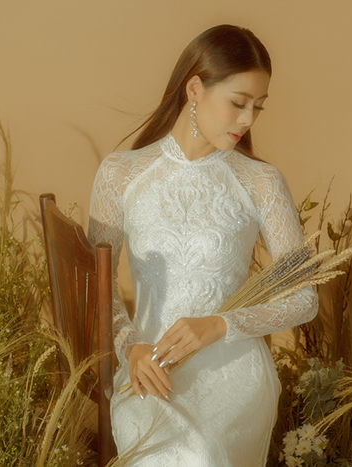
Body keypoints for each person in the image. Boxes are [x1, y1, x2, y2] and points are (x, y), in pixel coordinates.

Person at [87, 24, 318, 466]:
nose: (248, 120)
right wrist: (131, 347)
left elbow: (304, 298)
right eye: (238, 103)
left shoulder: (261, 181)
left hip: (234, 370)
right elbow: (97, 289)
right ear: (195, 89)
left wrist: (219, 325)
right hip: (149, 366)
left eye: (258, 107)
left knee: (204, 454)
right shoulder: (121, 174)